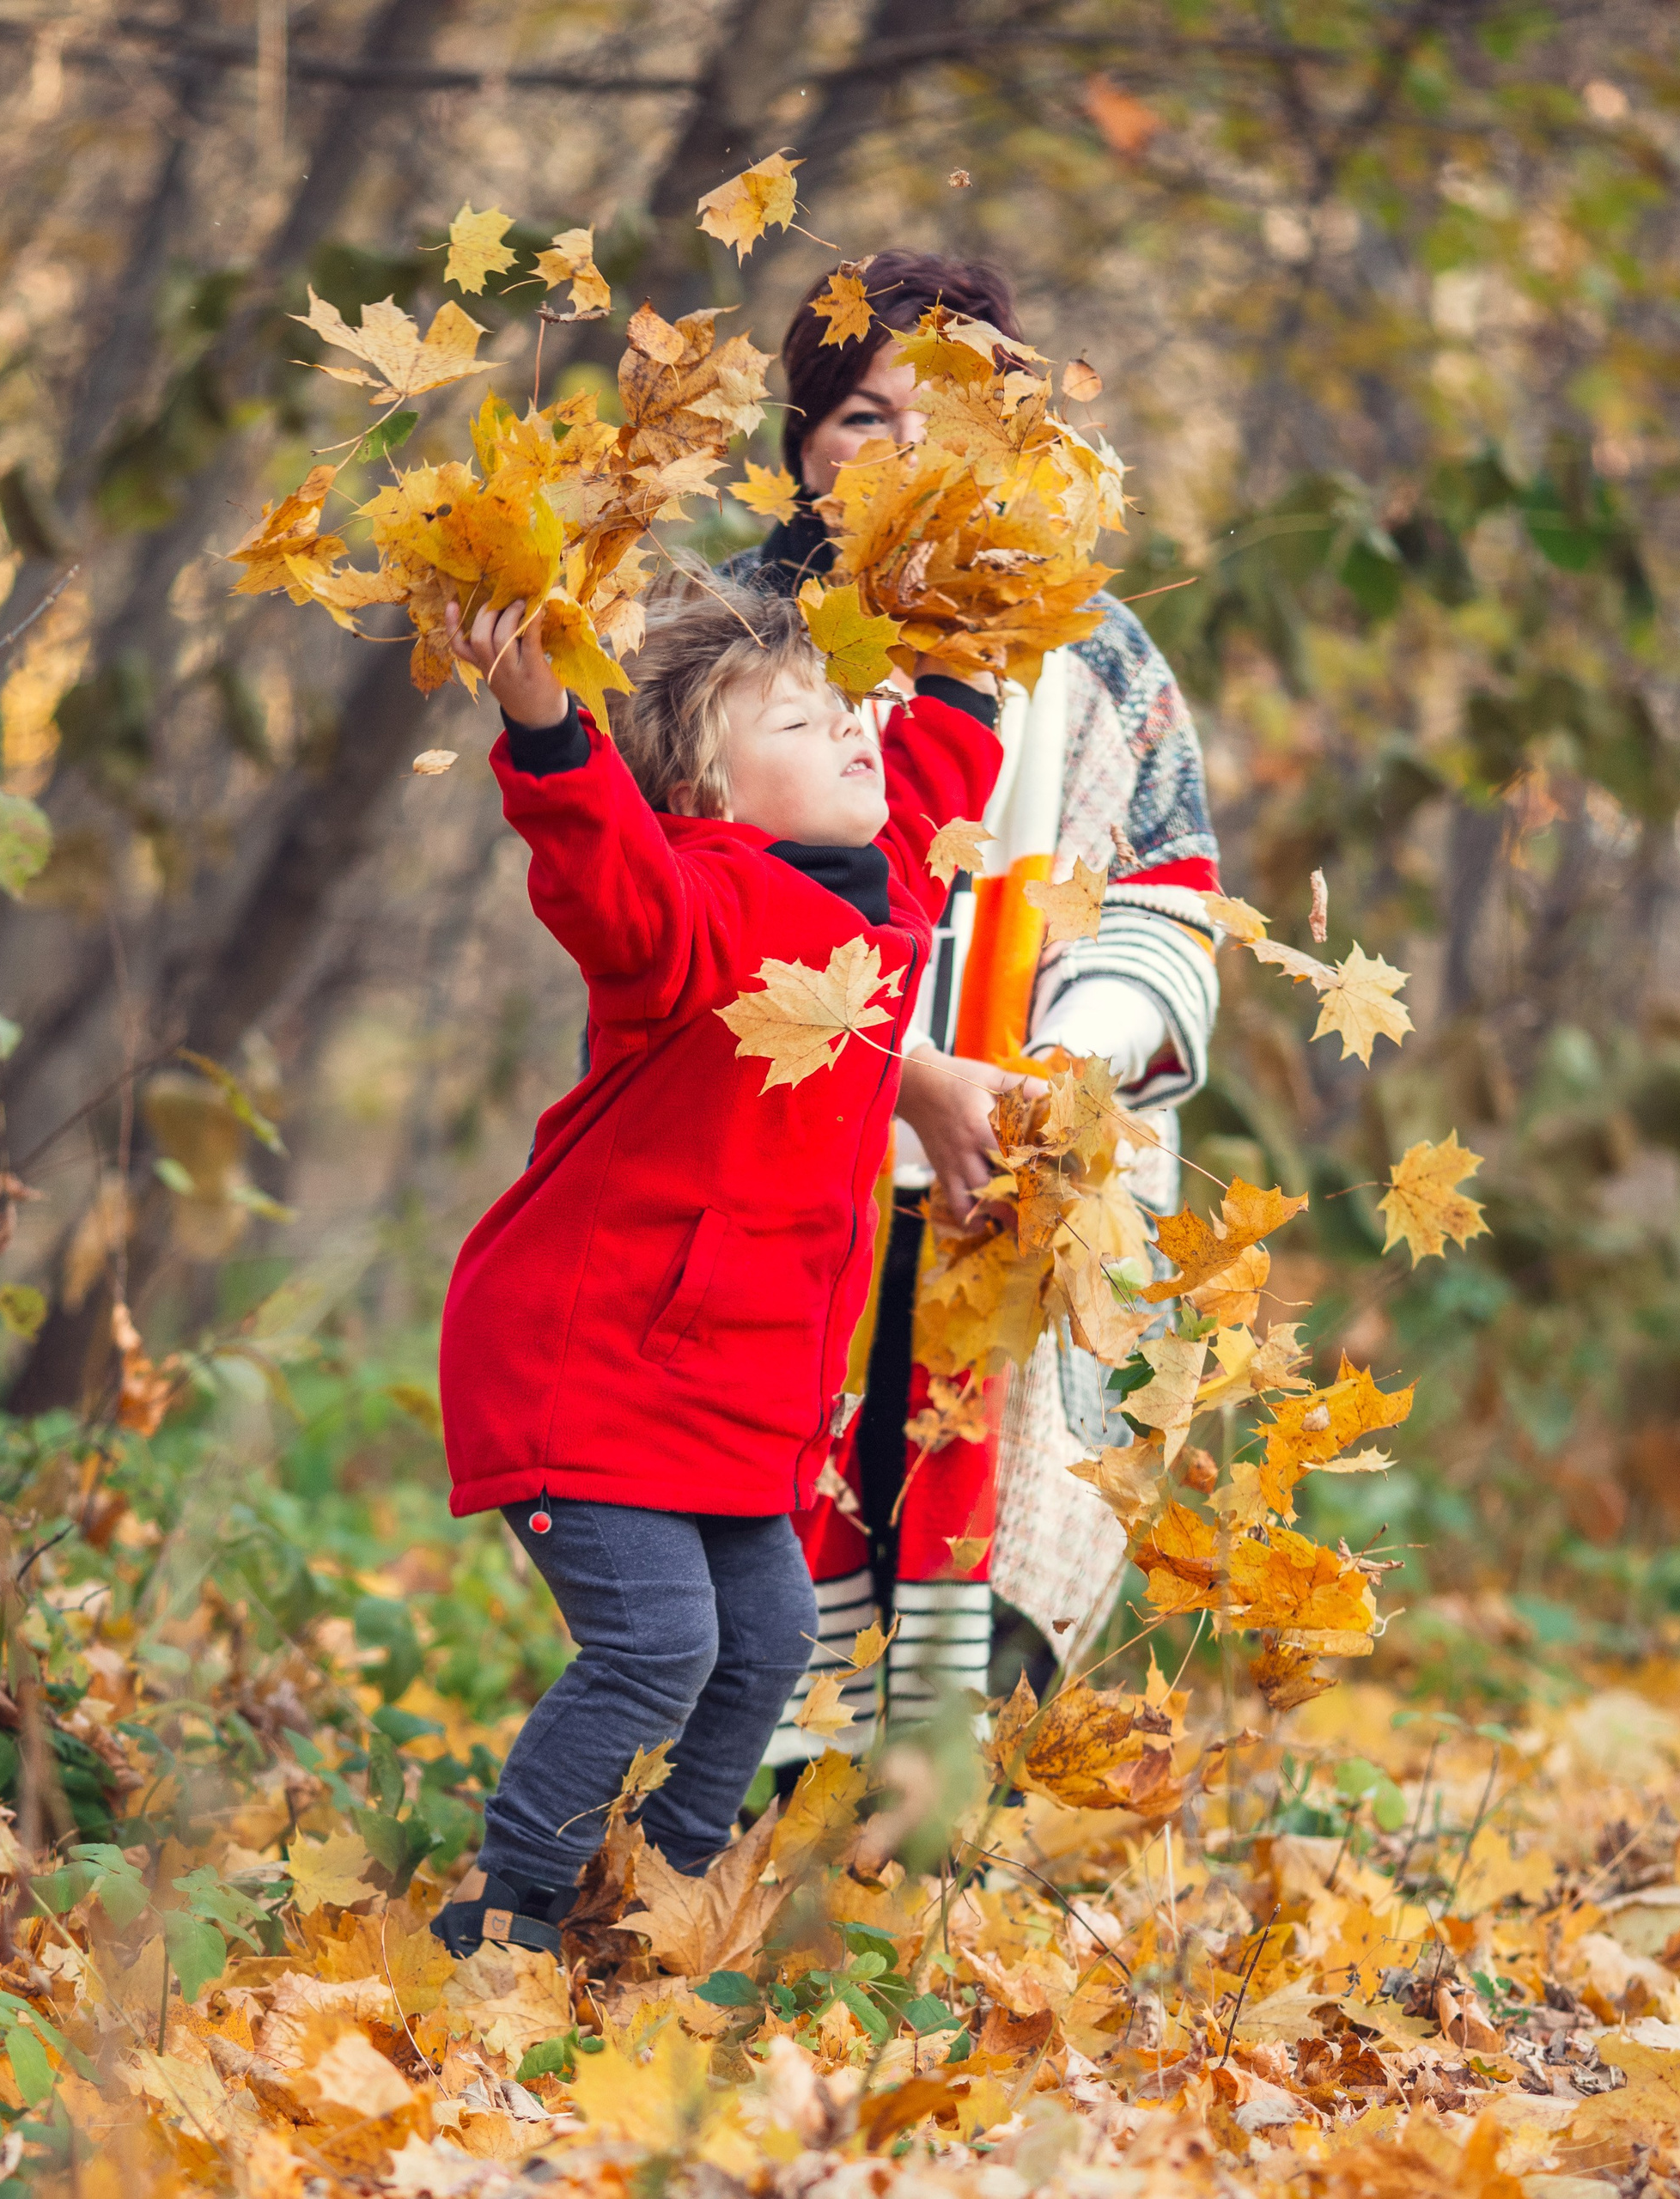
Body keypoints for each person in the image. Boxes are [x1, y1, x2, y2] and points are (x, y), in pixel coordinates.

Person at [429, 579, 1002, 1956]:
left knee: (766, 1645)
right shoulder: (695, 913)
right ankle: (506, 1919)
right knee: (661, 1648)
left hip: (724, 1397)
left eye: (852, 709)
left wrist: (973, 650)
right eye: (805, 720)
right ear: (709, 790)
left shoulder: (881, 915)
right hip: (590, 1364)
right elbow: (606, 874)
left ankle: (646, 1906)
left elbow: (926, 775)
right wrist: (544, 721)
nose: (858, 730)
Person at [725, 252, 1222, 1763]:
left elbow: (1166, 899)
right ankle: (740, 1859)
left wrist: (1055, 1074)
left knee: (969, 1535)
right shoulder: (726, 638)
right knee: (741, 1535)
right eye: (865, 418)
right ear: (804, 442)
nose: (907, 455)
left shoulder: (1098, 651)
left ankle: (915, 1865)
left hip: (1006, 1168)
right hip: (761, 1166)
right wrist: (912, 1076)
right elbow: (692, 921)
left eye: (947, 418)